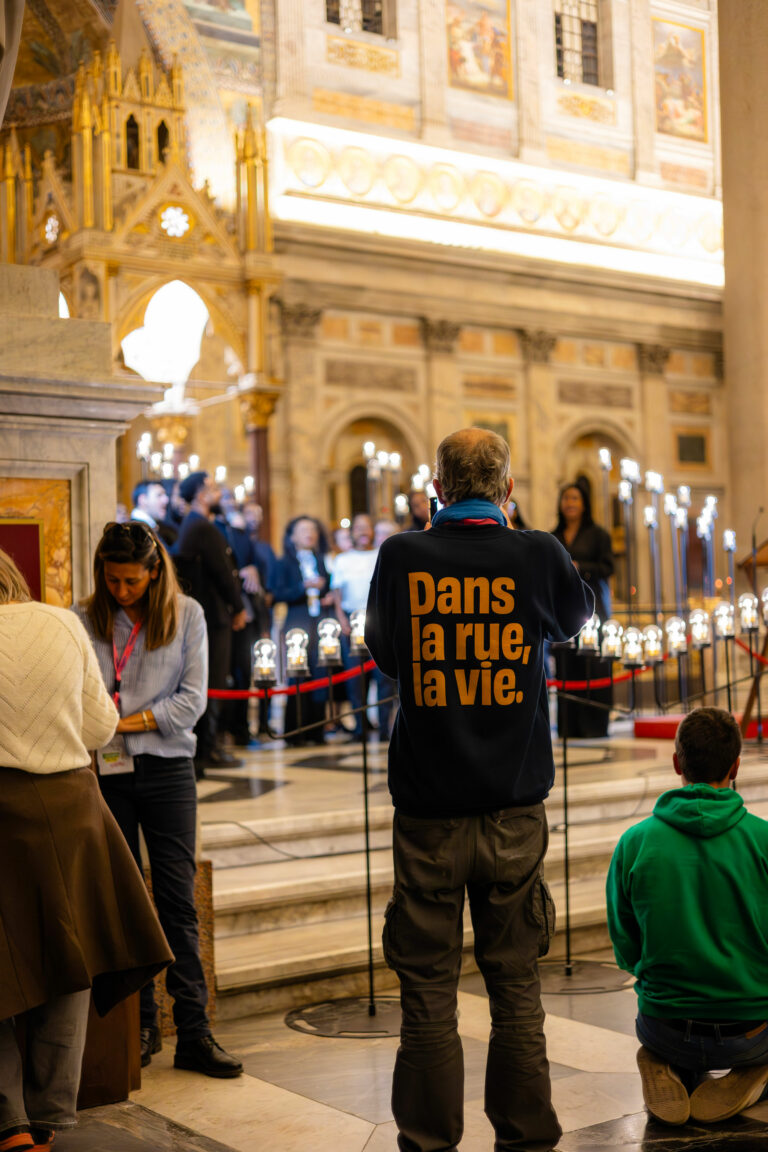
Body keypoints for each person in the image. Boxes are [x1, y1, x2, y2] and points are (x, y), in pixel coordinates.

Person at [365, 427, 593, 1152]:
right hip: (513, 810)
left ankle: (428, 1142)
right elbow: (577, 617)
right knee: (516, 988)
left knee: (428, 993)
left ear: (435, 489)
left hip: (429, 810)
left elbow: (386, 654)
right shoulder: (537, 553)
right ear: (509, 489)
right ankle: (526, 1139)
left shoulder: (401, 555)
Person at [0, 548, 172, 1152]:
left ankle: (9, 1124)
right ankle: (49, 1118)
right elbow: (101, 727)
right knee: (70, 958)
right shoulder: (62, 622)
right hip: (73, 806)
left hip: (2, 811)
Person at [75, 521, 243, 1079]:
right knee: (125, 901)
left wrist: (119, 723)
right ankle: (140, 1025)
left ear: (154, 572)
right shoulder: (82, 619)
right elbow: (80, 696)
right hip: (108, 774)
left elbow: (191, 703)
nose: (122, 590)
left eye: (132, 581)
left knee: (177, 900)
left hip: (169, 770)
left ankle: (193, 1031)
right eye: (112, 580)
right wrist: (115, 724)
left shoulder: (187, 614)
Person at [606, 708, 768, 1127]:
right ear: (736, 766)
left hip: (665, 1026)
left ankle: (670, 1064)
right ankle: (755, 1071)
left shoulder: (634, 843)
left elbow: (625, 946)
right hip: (750, 1032)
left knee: (673, 1033)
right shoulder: (763, 840)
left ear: (677, 762)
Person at [174, 471, 247, 774]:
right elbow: (222, 572)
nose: (219, 494)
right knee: (213, 681)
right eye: (214, 489)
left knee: (213, 680)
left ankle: (208, 746)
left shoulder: (195, 524)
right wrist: (238, 607)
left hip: (208, 615)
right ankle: (208, 749)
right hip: (214, 616)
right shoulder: (201, 526)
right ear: (201, 494)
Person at [551, 481, 614, 738]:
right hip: (563, 607)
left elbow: (608, 567)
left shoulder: (598, 535)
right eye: (566, 498)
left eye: (575, 498)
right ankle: (569, 726)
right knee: (567, 664)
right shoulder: (553, 536)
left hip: (592, 608)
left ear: (584, 504)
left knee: (594, 666)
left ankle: (594, 726)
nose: (570, 503)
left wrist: (581, 567)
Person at [271, 516, 332, 746]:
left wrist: (326, 590)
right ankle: (295, 731)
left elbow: (330, 584)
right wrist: (302, 587)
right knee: (297, 675)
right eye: (304, 529)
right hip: (297, 622)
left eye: (313, 529)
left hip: (320, 621)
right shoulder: (284, 563)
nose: (310, 533)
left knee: (320, 673)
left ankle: (317, 731)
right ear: (293, 536)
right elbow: (277, 593)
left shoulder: (322, 559)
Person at [332, 513, 379, 740]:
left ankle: (384, 727)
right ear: (352, 532)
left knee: (381, 675)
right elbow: (337, 592)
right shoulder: (343, 560)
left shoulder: (380, 553)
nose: (363, 532)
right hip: (351, 620)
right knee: (355, 676)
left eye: (367, 527)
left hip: (377, 618)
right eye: (358, 527)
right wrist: (342, 619)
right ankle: (361, 727)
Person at [131, 479, 177, 549]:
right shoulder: (136, 531)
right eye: (159, 495)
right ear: (143, 500)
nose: (166, 500)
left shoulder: (153, 526)